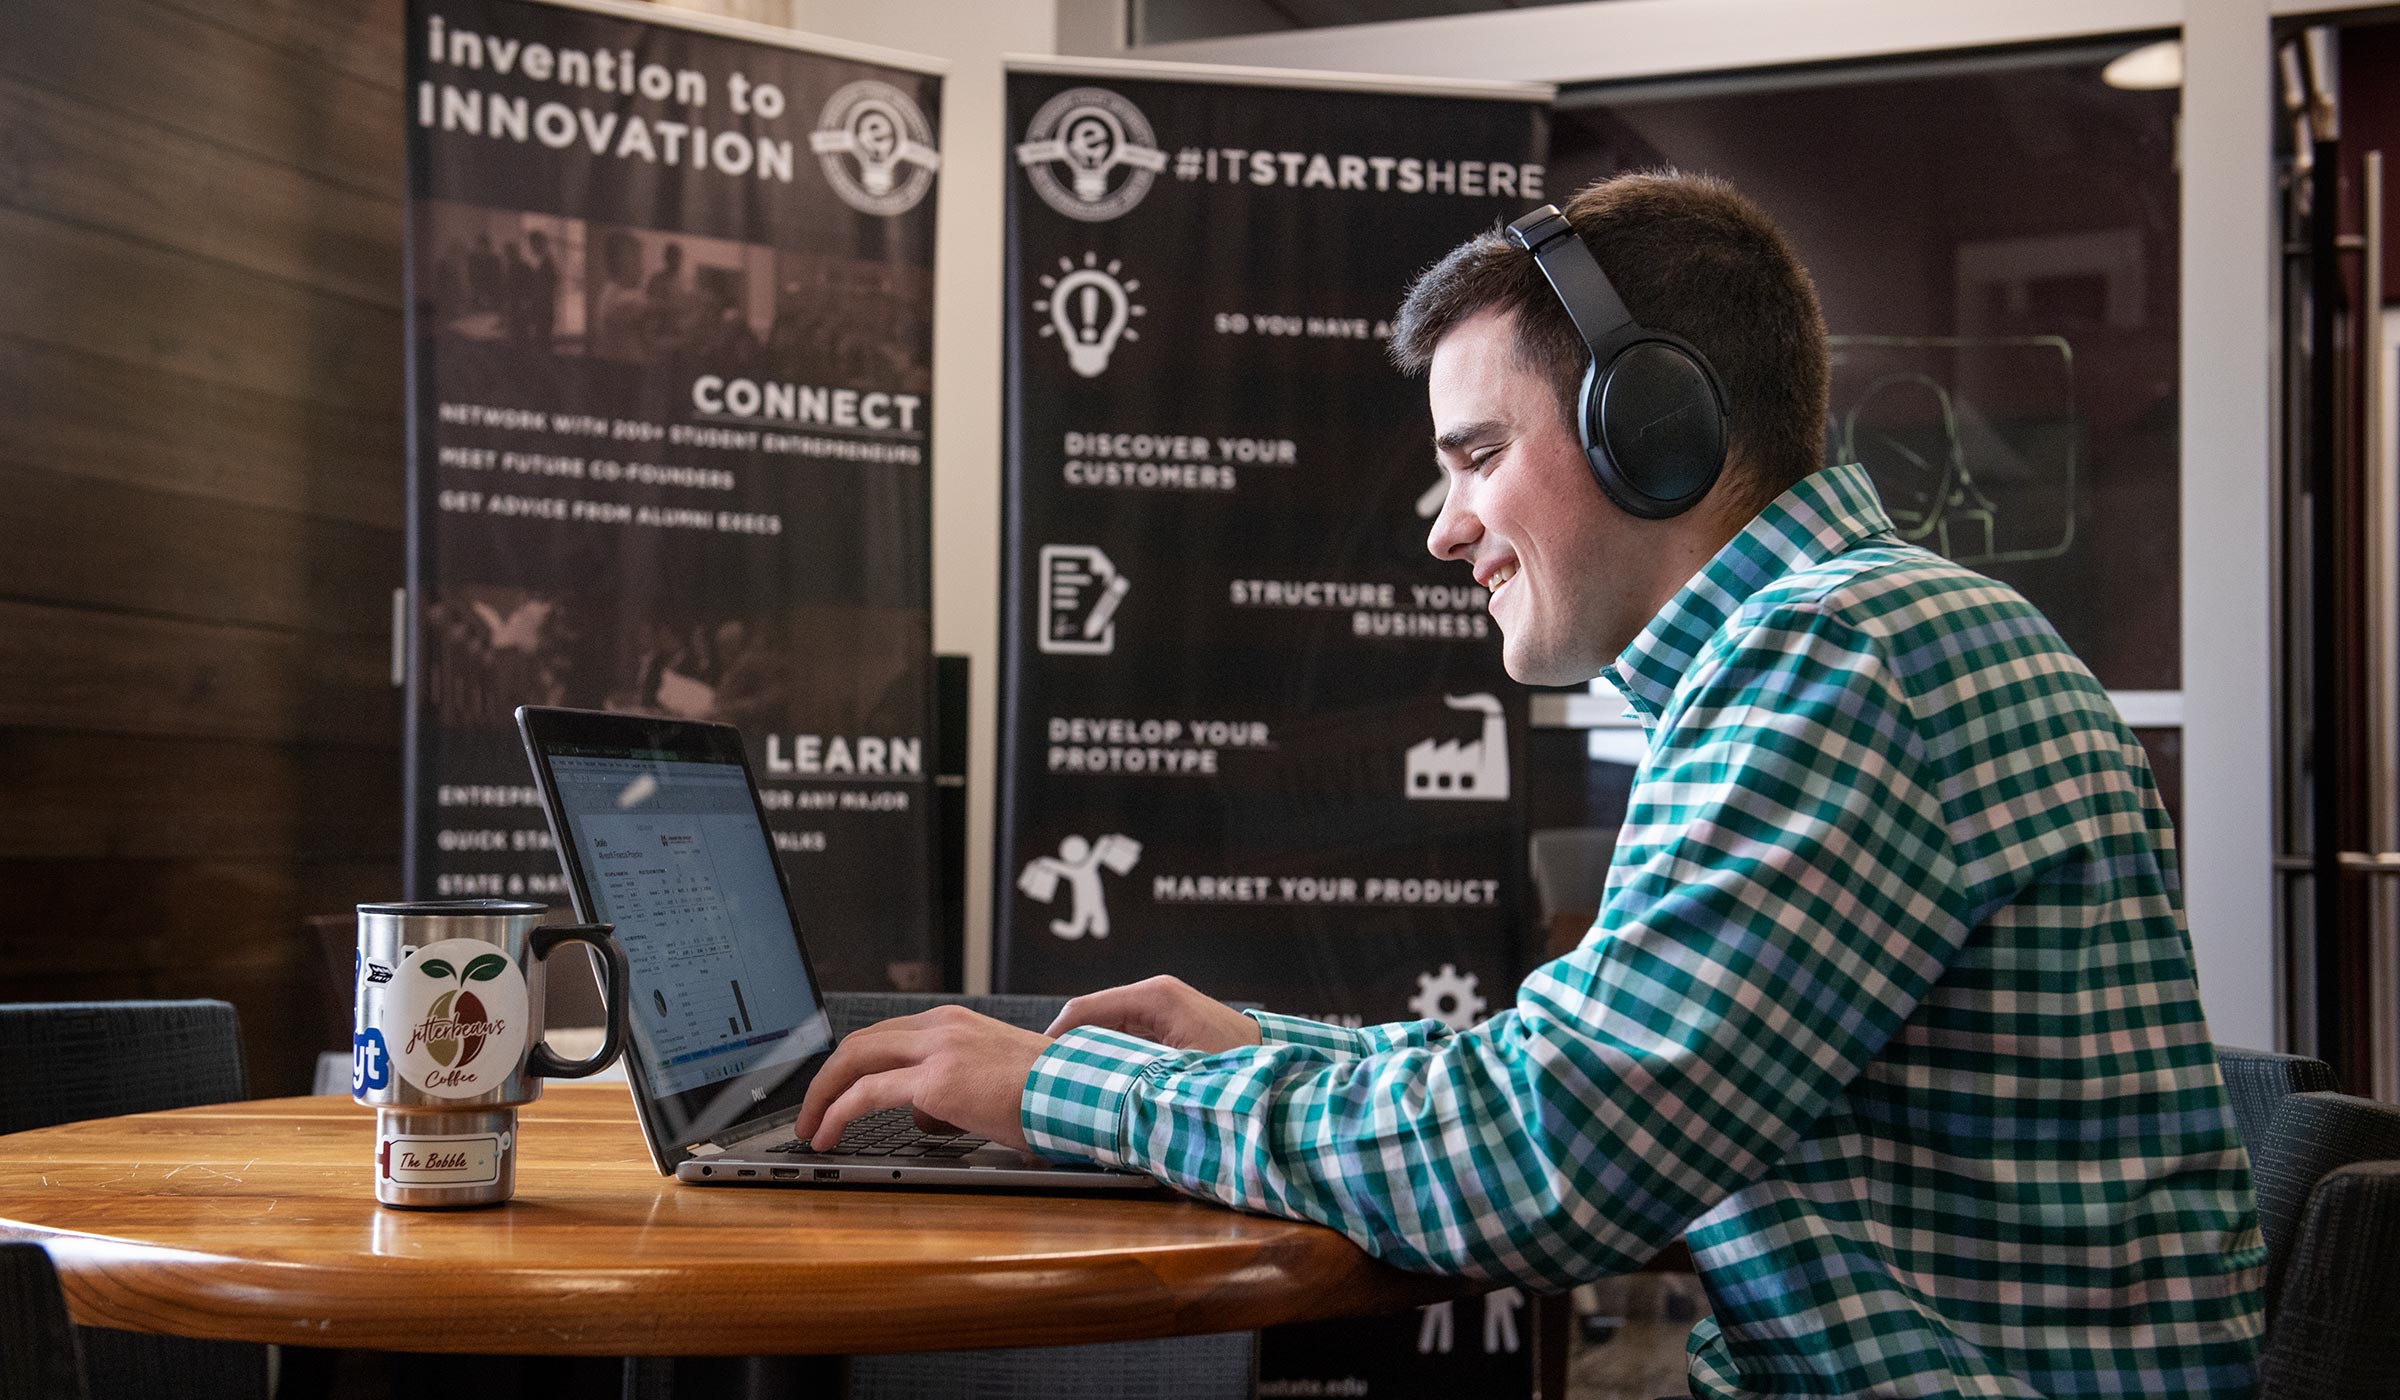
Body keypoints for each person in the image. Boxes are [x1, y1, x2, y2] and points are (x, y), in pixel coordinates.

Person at [793, 172, 2266, 1399]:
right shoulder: (1851, 639)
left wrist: (1072, 1089)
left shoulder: (1842, 654)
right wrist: (1252, 1047)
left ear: (1656, 426)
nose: (1446, 529)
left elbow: (1554, 1160)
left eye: (1480, 455)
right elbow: (1582, 1077)